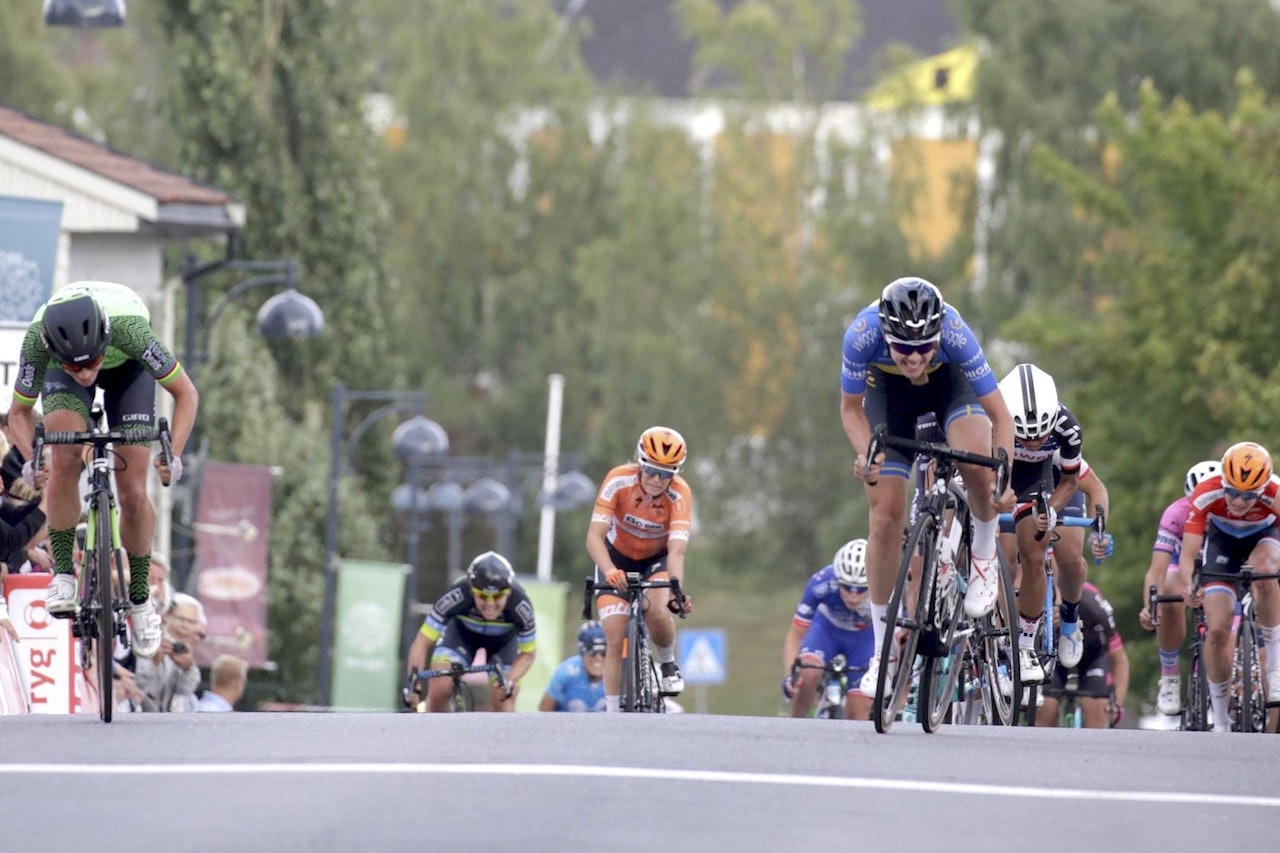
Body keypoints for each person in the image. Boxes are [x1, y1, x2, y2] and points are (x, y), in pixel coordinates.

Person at [840, 277, 1016, 694]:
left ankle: (983, 555)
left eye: (924, 347)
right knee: (884, 520)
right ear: (887, 336)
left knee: (976, 466)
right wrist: (867, 454)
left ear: (938, 334)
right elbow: (850, 409)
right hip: (889, 397)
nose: (914, 358)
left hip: (951, 388)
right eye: (903, 348)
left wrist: (1002, 476)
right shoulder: (862, 335)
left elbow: (1002, 417)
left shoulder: (956, 333)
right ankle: (883, 651)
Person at [6, 282, 198, 659]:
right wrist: (32, 461)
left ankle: (140, 600)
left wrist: (172, 454)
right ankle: (63, 572)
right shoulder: (37, 341)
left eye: (90, 362)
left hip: (128, 369)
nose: (84, 374)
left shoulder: (131, 330)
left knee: (133, 489)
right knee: (63, 458)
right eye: (73, 366)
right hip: (66, 375)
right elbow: (18, 413)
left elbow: (187, 394)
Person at [995, 363, 1110, 685]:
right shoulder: (997, 422)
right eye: (1025, 438)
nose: (1033, 444)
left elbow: (1089, 487)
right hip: (1010, 480)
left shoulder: (1066, 434)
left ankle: (1069, 620)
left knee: (1068, 553)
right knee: (1006, 557)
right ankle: (1006, 637)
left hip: (1054, 484)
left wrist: (1060, 514)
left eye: (1041, 437)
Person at [1170, 442, 1280, 732]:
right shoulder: (1206, 492)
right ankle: (1220, 717)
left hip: (1265, 538)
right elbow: (1188, 554)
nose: (1239, 501)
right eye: (1232, 492)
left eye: (1249, 496)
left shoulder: (1276, 493)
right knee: (1217, 631)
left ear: (1263, 488)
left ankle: (1275, 667)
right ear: (1223, 482)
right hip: (1223, 544)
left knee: (1265, 573)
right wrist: (1189, 586)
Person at [585, 426, 695, 713]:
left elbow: (677, 550)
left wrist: (675, 588)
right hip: (615, 557)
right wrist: (609, 571)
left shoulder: (680, 494)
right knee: (613, 634)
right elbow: (594, 537)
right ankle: (611, 711)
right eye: (652, 471)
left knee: (657, 609)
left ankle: (668, 663)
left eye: (666, 474)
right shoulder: (617, 479)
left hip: (654, 560)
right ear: (639, 463)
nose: (658, 480)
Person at [405, 551, 537, 712]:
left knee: (503, 698)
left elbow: (528, 654)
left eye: (497, 597)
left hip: (503, 643)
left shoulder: (520, 604)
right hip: (462, 636)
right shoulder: (456, 594)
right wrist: (414, 686)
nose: (489, 604)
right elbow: (422, 642)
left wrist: (509, 681)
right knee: (439, 689)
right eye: (482, 596)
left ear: (508, 592)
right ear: (472, 589)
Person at [1137, 459, 1218, 716]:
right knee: (1169, 594)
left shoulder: (1236, 510)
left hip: (1219, 565)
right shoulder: (1176, 514)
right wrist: (1151, 608)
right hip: (1180, 565)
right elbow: (1157, 571)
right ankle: (1170, 674)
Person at [781, 538, 875, 720]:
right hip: (826, 632)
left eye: (861, 589)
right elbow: (795, 636)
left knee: (859, 713)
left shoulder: (887, 589)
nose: (853, 596)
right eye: (847, 587)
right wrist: (789, 676)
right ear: (837, 579)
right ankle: (795, 723)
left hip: (864, 639)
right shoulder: (821, 583)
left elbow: (898, 638)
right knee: (807, 674)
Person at [1036, 580, 1129, 728]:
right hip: (1052, 655)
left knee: (1099, 709)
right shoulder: (1037, 595)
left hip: (1093, 654)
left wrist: (1117, 704)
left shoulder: (1093, 604)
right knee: (1045, 707)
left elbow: (1119, 660)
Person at [134, 592, 205, 712]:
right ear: (168, 617)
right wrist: (154, 661)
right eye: (181, 619)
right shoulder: (151, 640)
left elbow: (185, 690)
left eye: (191, 622)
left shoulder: (183, 652)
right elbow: (139, 685)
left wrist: (188, 667)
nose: (184, 626)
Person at [539, 621, 607, 712]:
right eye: (591, 652)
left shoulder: (621, 675)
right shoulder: (566, 672)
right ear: (581, 654)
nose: (598, 658)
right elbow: (543, 712)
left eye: (604, 653)